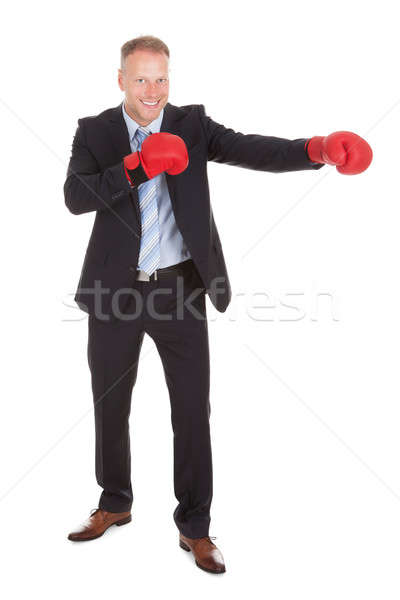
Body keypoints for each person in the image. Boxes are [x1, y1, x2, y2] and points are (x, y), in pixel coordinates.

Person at [64, 35, 372, 574]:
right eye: (141, 79)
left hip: (179, 289)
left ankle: (196, 528)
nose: (153, 90)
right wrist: (136, 166)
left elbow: (253, 148)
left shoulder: (191, 124)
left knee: (191, 410)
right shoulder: (95, 131)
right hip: (113, 290)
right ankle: (114, 502)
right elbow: (75, 197)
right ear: (120, 81)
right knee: (110, 406)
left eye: (161, 78)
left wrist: (316, 148)